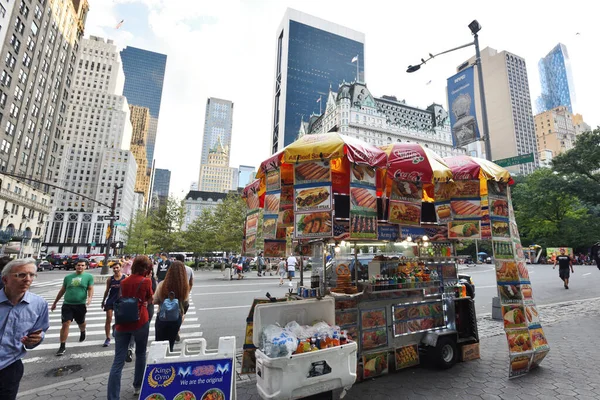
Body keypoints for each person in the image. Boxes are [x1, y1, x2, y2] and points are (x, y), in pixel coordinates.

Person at [0, 258, 49, 399]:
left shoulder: (39, 304)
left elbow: (40, 331)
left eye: (32, 275)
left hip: (10, 366)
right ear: (5, 279)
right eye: (21, 275)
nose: (28, 279)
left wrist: (36, 339)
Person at [107, 256, 154, 399]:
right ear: (146, 269)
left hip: (122, 323)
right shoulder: (146, 281)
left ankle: (113, 396)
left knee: (118, 361)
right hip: (140, 321)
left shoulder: (124, 280)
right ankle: (137, 386)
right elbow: (150, 299)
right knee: (140, 354)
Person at [51, 259, 94, 356]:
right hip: (67, 304)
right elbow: (62, 290)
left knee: (81, 322)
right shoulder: (68, 277)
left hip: (80, 305)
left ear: (86, 266)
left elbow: (90, 288)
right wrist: (55, 302)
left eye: (82, 265)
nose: (80, 267)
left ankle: (82, 331)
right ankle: (62, 346)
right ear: (75, 266)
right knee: (65, 323)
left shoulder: (89, 277)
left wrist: (90, 298)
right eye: (78, 265)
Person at [153, 261, 189, 351]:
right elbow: (185, 302)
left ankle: (158, 364)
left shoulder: (162, 284)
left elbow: (155, 300)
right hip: (176, 318)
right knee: (170, 345)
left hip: (162, 317)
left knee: (159, 344)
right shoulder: (184, 287)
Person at [101, 262, 125, 347]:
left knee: (120, 320)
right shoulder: (110, 279)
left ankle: (116, 328)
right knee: (108, 318)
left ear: (120, 268)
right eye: (114, 268)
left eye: (117, 267)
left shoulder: (125, 278)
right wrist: (103, 301)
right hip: (111, 301)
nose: (115, 269)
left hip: (121, 302)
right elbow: (107, 290)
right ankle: (107, 338)